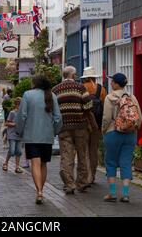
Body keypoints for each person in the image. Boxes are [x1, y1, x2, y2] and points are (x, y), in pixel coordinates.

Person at [17, 75, 62, 204]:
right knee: (43, 164)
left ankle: (39, 192)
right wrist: (54, 131)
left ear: (35, 83)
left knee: (35, 163)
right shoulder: (52, 96)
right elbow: (58, 118)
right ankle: (41, 190)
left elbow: (22, 115)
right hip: (47, 136)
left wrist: (19, 131)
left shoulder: (27, 95)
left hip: (31, 136)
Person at [102, 73, 142, 203]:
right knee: (126, 162)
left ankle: (112, 193)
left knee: (111, 162)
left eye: (112, 81)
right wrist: (133, 128)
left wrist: (104, 130)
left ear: (115, 83)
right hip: (130, 134)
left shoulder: (109, 97)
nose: (110, 83)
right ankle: (125, 194)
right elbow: (140, 118)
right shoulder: (132, 97)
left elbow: (106, 118)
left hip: (113, 133)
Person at [53, 66, 93, 195]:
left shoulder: (55, 90)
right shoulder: (80, 88)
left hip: (64, 128)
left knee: (66, 156)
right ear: (73, 75)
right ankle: (82, 183)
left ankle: (69, 184)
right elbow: (88, 105)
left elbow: (52, 109)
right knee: (83, 155)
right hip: (80, 126)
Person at [81, 66, 107, 185]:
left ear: (85, 78)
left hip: (84, 123)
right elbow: (104, 108)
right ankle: (93, 175)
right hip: (97, 124)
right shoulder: (102, 90)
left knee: (85, 150)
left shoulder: (82, 88)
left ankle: (87, 176)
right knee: (93, 150)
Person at [2, 97, 23, 173]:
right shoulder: (12, 113)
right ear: (15, 105)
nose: (19, 106)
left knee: (19, 151)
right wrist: (13, 124)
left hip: (20, 135)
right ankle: (5, 163)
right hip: (12, 134)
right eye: (18, 104)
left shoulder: (23, 114)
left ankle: (17, 167)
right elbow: (6, 123)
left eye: (21, 104)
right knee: (12, 150)